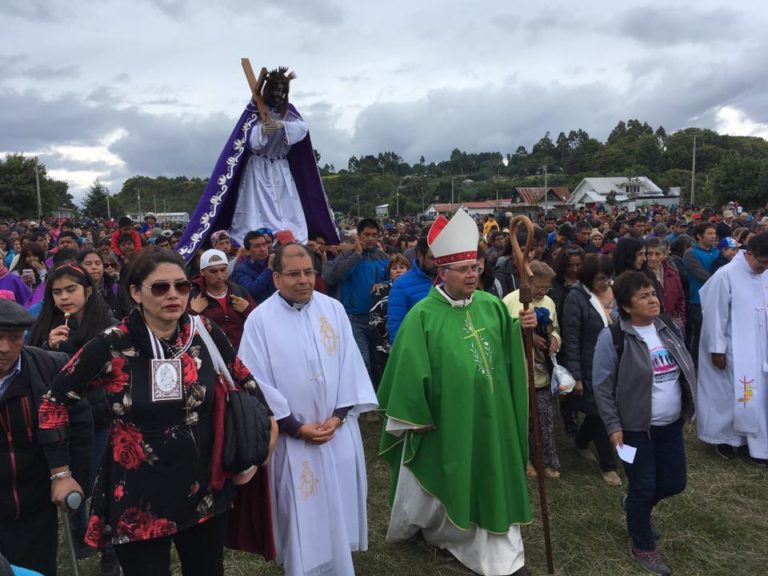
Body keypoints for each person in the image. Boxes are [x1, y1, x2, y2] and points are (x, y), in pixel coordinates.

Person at [37, 247, 276, 576]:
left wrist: (263, 436)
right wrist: (61, 474)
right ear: (135, 292)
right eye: (160, 287)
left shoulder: (203, 333)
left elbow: (246, 382)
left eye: (182, 286)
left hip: (203, 488)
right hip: (138, 497)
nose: (174, 295)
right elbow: (53, 401)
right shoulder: (111, 345)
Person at [377, 209, 535, 576]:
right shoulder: (423, 316)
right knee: (455, 478)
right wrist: (417, 417)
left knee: (490, 473)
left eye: (474, 268)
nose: (471, 275)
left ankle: (499, 549)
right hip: (451, 421)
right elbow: (406, 370)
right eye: (462, 270)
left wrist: (521, 329)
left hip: (492, 415)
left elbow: (504, 346)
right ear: (442, 273)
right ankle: (450, 533)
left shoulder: (491, 305)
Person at [238, 243, 378, 576]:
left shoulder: (333, 309)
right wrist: (294, 426)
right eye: (294, 274)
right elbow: (254, 379)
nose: (303, 280)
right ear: (276, 278)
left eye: (309, 272)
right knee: (300, 509)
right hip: (293, 439)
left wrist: (338, 416)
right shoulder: (259, 320)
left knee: (339, 505)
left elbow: (350, 365)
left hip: (337, 432)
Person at [593, 271, 696, 576]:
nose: (653, 300)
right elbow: (602, 385)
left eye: (653, 293)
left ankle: (635, 506)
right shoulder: (612, 338)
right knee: (643, 484)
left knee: (675, 482)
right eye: (643, 296)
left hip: (670, 427)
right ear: (626, 306)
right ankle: (642, 544)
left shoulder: (668, 328)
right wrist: (613, 427)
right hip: (632, 432)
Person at [178, 67, 338, 262]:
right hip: (258, 168)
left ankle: (291, 240)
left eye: (282, 90)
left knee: (288, 207)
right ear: (268, 90)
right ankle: (259, 242)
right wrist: (263, 130)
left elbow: (303, 128)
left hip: (281, 168)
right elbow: (251, 140)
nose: (278, 95)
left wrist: (281, 125)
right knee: (257, 207)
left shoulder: (288, 113)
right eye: (275, 90)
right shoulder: (255, 110)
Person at [0, 298, 93, 576]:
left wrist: (73, 479)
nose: (4, 348)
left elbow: (80, 426)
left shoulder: (49, 366)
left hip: (34, 504)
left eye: (14, 338)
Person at [697, 233, 768, 465]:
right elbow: (714, 315)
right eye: (762, 262)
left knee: (757, 395)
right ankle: (726, 440)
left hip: (760, 348)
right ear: (748, 253)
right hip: (732, 349)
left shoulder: (764, 274)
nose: (764, 268)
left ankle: (755, 443)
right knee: (731, 395)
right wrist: (716, 349)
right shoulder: (725, 275)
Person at [562, 254, 622, 486]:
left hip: (615, 359)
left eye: (608, 278)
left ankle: (580, 442)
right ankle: (608, 465)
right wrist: (576, 375)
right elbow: (573, 339)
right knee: (600, 412)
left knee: (600, 409)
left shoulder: (615, 291)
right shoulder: (576, 298)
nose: (605, 283)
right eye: (600, 279)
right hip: (591, 362)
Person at [504, 260, 562, 480]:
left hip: (541, 371)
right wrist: (524, 333)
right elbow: (503, 332)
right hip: (519, 370)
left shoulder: (548, 302)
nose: (543, 291)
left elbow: (555, 327)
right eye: (540, 286)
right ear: (527, 281)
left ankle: (546, 460)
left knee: (544, 420)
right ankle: (524, 460)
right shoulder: (509, 301)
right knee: (521, 418)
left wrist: (554, 339)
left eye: (547, 287)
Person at [322, 218, 388, 375]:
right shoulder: (346, 254)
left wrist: (384, 284)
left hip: (377, 320)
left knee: (379, 363)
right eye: (366, 234)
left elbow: (393, 280)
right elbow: (333, 276)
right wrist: (357, 255)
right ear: (359, 235)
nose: (370, 238)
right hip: (354, 319)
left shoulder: (383, 257)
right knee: (362, 364)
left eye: (374, 234)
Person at [189, 249, 256, 351]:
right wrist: (192, 313)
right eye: (213, 271)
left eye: (223, 270)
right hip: (211, 357)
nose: (219, 275)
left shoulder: (239, 291)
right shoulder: (192, 295)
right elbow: (179, 330)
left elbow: (259, 322)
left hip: (241, 354)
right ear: (202, 272)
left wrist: (248, 309)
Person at [369, 253, 410, 388]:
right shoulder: (381, 291)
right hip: (386, 346)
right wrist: (387, 329)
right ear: (389, 273)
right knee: (388, 379)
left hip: (410, 341)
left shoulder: (413, 289)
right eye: (394, 268)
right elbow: (374, 317)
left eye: (402, 267)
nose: (398, 270)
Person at [386, 236, 437, 344]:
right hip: (418, 348)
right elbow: (396, 326)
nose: (437, 263)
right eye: (432, 258)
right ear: (420, 255)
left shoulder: (448, 279)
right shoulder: (401, 285)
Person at [683, 223, 720, 363]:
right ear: (699, 236)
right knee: (699, 337)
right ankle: (696, 367)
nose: (713, 236)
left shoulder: (717, 251)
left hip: (717, 299)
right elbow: (702, 276)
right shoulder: (691, 254)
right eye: (709, 233)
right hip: (698, 301)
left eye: (714, 233)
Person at [232, 231, 276, 305]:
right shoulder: (240, 270)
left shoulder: (276, 261)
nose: (263, 249)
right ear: (247, 251)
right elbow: (252, 291)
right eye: (257, 246)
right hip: (259, 311)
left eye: (264, 245)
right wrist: (269, 269)